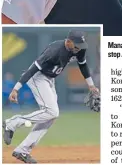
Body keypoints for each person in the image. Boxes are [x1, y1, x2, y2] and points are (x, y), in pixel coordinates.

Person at [2, 30, 99, 164]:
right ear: (68, 41)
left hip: (50, 79)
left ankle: (22, 151)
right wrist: (16, 89)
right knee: (52, 111)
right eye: (76, 45)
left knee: (51, 116)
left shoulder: (79, 48)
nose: (79, 48)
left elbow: (83, 66)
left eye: (80, 45)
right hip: (38, 77)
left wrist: (91, 86)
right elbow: (32, 70)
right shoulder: (54, 50)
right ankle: (12, 122)